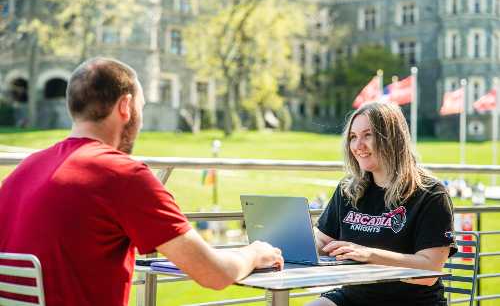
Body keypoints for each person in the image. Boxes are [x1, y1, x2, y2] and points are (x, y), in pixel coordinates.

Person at [0, 57, 283, 306]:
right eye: (141, 107)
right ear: (126, 106)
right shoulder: (121, 175)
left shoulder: (22, 172)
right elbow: (214, 274)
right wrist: (255, 252)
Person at [306, 102, 457, 306]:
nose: (358, 145)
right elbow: (323, 242)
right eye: (353, 137)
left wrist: (369, 255)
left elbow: (428, 271)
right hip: (354, 297)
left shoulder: (430, 194)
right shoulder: (348, 190)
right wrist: (294, 244)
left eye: (368, 135)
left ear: (392, 138)